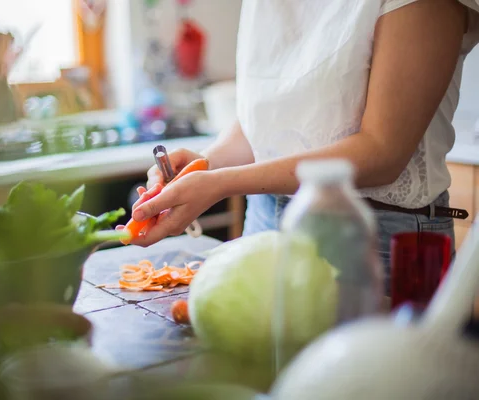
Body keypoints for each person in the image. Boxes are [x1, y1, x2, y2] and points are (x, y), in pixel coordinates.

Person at [117, 0, 479, 282]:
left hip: (374, 239)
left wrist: (218, 183)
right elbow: (263, 121)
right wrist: (205, 163)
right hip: (264, 223)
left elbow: (382, 152)